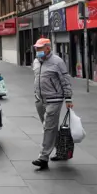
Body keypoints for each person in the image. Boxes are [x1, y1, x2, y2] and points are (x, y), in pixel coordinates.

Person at [32, 38, 73, 170]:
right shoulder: (36, 61)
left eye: (40, 48)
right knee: (51, 127)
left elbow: (65, 79)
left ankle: (43, 157)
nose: (37, 51)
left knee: (48, 127)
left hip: (54, 99)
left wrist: (68, 98)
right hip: (40, 99)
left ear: (48, 48)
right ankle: (62, 151)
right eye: (36, 48)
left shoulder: (57, 62)